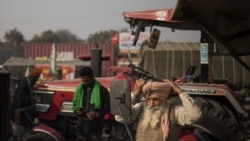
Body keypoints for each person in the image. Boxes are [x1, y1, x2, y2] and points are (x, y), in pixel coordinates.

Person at [115, 78, 202, 141]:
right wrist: (135, 94)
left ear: (164, 99)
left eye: (155, 99)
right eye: (148, 99)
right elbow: (120, 117)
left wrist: (180, 92)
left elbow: (195, 115)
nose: (151, 103)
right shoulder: (141, 108)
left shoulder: (174, 112)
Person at [72, 66, 110, 141]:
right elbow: (74, 107)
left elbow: (109, 107)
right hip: (81, 127)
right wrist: (77, 111)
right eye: (83, 81)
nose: (85, 83)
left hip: (95, 127)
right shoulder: (79, 90)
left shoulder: (102, 90)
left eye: (87, 81)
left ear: (92, 77)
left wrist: (97, 114)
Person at [9, 67, 41, 140]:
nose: (38, 80)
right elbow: (19, 99)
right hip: (19, 115)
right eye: (37, 77)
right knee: (19, 135)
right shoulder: (23, 83)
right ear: (34, 77)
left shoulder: (30, 83)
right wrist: (31, 98)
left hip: (25, 115)